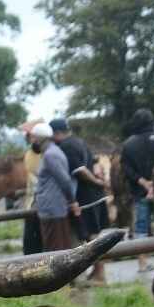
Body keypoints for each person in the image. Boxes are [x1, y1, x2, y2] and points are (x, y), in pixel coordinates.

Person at [49, 118, 109, 282]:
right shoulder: (79, 141)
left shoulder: (66, 146)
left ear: (56, 133)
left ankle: (100, 273)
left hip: (85, 197)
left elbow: (80, 170)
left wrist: (97, 183)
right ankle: (97, 272)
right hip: (94, 196)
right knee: (93, 236)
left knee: (91, 237)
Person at [120, 108, 154, 273]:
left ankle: (142, 265)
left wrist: (143, 183)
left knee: (141, 229)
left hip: (139, 193)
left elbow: (126, 169)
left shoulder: (128, 144)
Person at [30, 122, 79, 254]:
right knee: (56, 247)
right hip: (51, 207)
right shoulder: (50, 153)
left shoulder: (50, 155)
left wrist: (72, 201)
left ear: (41, 138)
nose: (32, 141)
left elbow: (64, 180)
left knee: (55, 250)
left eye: (33, 137)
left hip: (53, 208)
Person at [20, 120, 44, 255]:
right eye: (31, 136)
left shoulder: (46, 152)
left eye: (34, 136)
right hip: (33, 200)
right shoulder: (30, 154)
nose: (32, 139)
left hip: (41, 200)